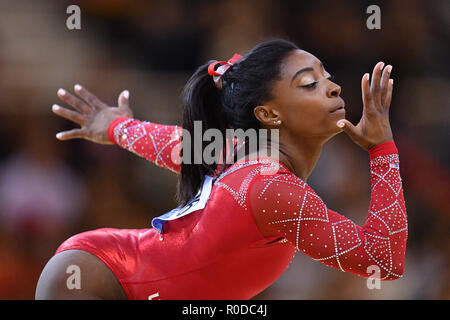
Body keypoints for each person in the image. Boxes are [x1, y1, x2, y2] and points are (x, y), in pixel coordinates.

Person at [35, 39, 407, 300]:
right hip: (98, 282)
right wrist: (381, 150)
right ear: (268, 114)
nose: (333, 87)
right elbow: (383, 260)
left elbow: (171, 143)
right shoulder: (270, 187)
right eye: (310, 83)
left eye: (326, 77)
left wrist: (115, 127)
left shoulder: (238, 155)